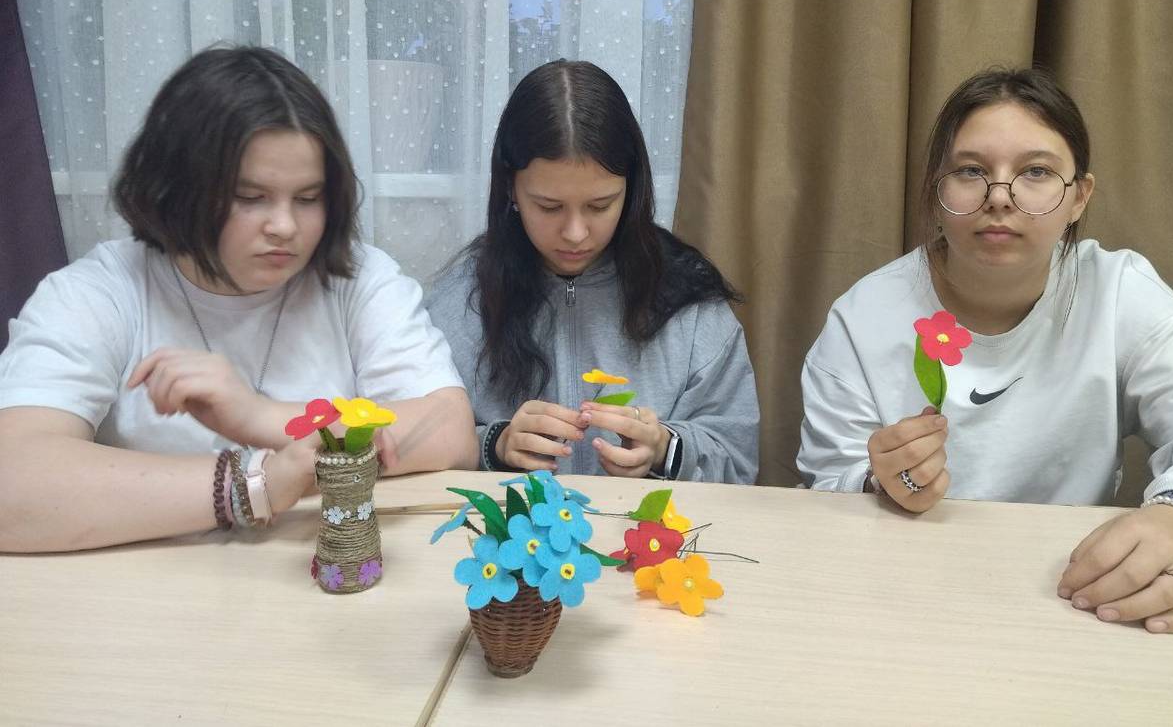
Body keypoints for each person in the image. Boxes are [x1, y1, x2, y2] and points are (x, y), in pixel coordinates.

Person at [0, 46, 477, 552]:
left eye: (308, 198)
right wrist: (253, 485)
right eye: (250, 198)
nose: (285, 226)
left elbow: (450, 431)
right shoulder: (99, 292)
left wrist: (257, 417)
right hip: (147, 589)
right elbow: (14, 481)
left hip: (320, 580)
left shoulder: (359, 279)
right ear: (175, 188)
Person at [797, 67, 1173, 633]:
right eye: (971, 171)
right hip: (898, 595)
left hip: (1070, 593)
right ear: (937, 192)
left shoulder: (1120, 294)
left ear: (1079, 197)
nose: (999, 198)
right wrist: (878, 483)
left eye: (1036, 172)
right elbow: (828, 481)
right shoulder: (863, 318)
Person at [427, 59, 758, 482]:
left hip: (650, 526)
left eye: (600, 205)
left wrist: (665, 449)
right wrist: (495, 445)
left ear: (631, 189)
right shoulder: (459, 303)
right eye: (549, 207)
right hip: (510, 527)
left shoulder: (689, 302)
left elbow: (740, 458)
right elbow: (411, 449)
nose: (575, 233)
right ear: (511, 188)